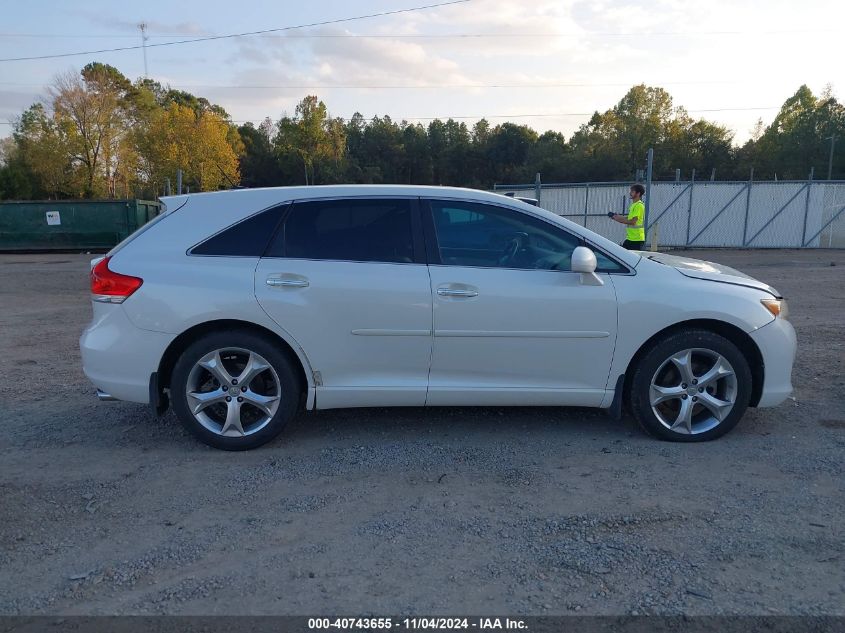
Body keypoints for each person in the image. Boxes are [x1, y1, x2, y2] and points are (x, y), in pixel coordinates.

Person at [608, 184, 646, 250]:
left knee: (630, 258)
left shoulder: (639, 206)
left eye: (632, 191)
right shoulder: (634, 205)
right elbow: (628, 218)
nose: (630, 193)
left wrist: (618, 220)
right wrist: (617, 216)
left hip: (636, 239)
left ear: (638, 193)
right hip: (631, 238)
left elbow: (633, 222)